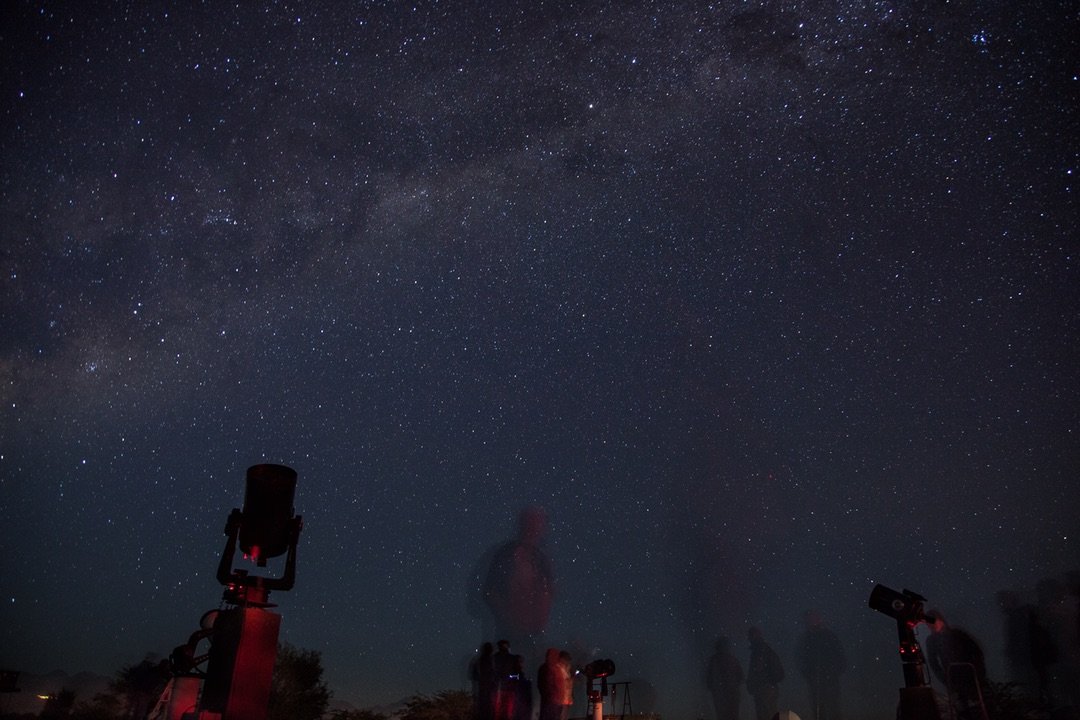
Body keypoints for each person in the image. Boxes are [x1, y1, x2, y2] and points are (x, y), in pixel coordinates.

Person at [483, 507, 556, 665]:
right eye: (531, 523)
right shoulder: (506, 554)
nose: (535, 529)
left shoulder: (540, 558)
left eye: (538, 524)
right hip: (510, 631)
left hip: (534, 633)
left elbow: (549, 591)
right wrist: (507, 616)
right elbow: (490, 591)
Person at [925, 613, 988, 720]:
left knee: (978, 704)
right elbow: (933, 662)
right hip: (952, 676)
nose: (930, 626)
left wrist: (978, 670)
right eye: (928, 624)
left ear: (940, 620)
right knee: (961, 707)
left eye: (932, 622)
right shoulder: (932, 641)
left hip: (970, 673)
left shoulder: (957, 634)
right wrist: (944, 678)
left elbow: (976, 651)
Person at [795, 611, 846, 720]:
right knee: (819, 709)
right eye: (808, 619)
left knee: (832, 708)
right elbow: (802, 659)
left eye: (812, 618)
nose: (810, 622)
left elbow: (840, 658)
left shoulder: (828, 636)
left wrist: (832, 673)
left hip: (829, 680)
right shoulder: (807, 638)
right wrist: (808, 674)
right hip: (815, 680)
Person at [747, 627, 784, 720]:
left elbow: (757, 671)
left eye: (751, 636)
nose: (749, 639)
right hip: (765, 688)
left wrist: (764, 682)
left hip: (765, 689)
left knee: (767, 714)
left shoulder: (761, 651)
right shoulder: (762, 650)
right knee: (767, 714)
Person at [706, 636, 744, 720]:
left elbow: (709, 680)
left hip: (721, 695)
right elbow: (741, 677)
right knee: (732, 716)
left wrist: (714, 689)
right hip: (731, 694)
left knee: (723, 716)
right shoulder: (732, 659)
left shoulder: (714, 660)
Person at [538, 647, 573, 720]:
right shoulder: (553, 668)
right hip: (553, 701)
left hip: (556, 700)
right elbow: (548, 684)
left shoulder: (555, 668)